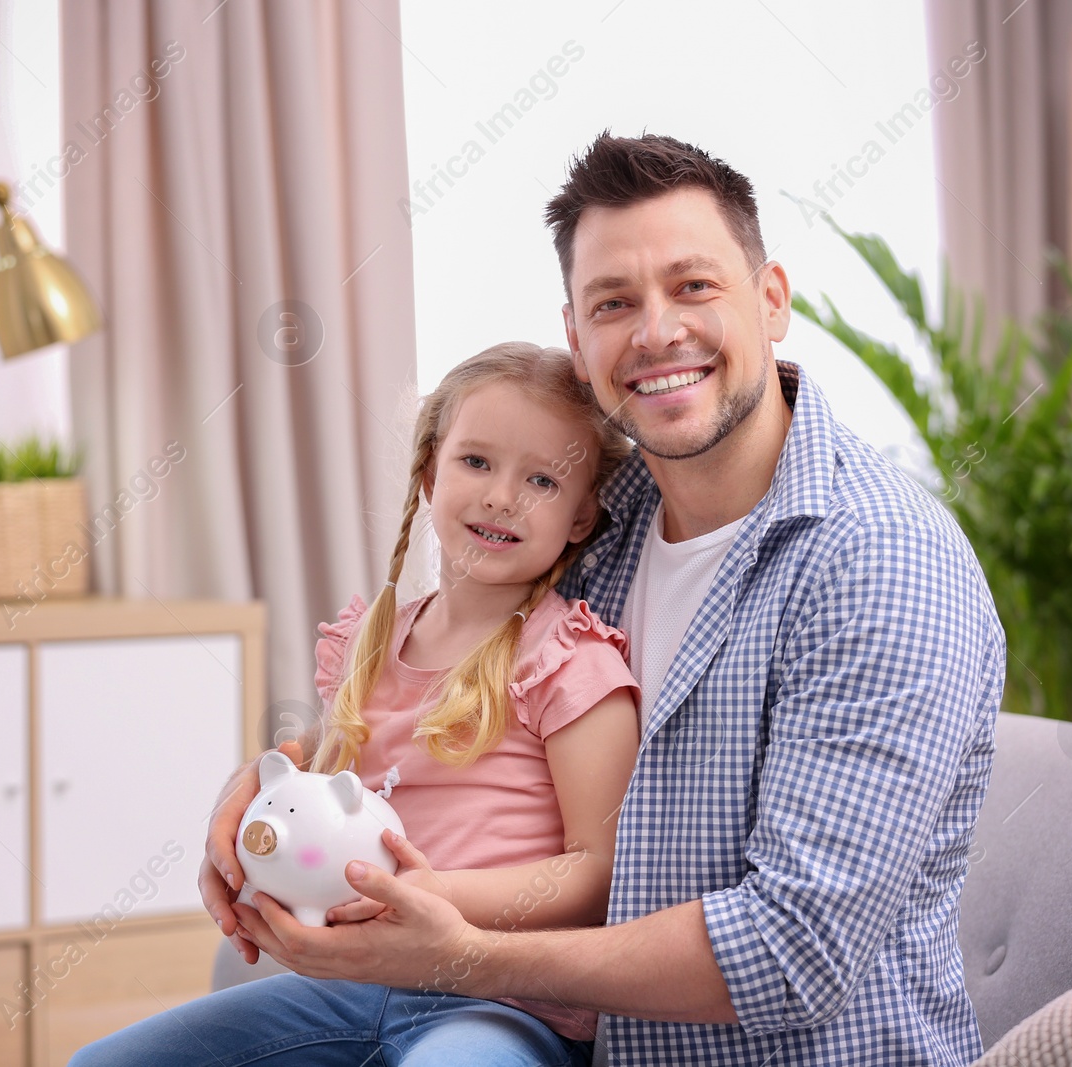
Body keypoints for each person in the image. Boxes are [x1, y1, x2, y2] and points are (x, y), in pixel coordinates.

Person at [209, 133, 1007, 1067]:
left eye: (694, 285)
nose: (656, 330)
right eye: (613, 304)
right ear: (579, 343)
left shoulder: (878, 563)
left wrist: (466, 956)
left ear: (773, 299)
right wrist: (261, 802)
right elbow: (422, 697)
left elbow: (793, 954)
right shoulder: (593, 521)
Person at [72, 342, 643, 1066]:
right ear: (431, 472)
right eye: (477, 462)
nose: (503, 495)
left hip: (501, 1000)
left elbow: (598, 871)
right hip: (352, 984)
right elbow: (313, 772)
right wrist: (249, 816)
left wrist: (430, 893)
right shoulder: (369, 644)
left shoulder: (570, 661)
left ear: (582, 517)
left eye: (541, 479)